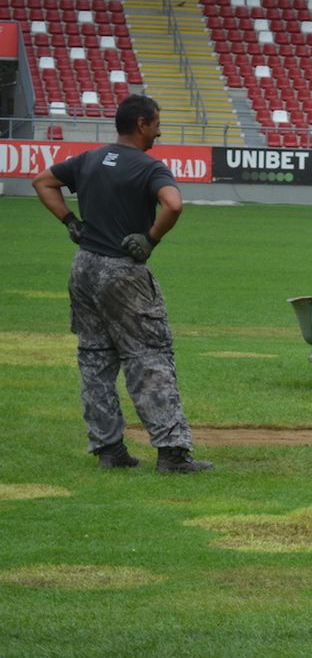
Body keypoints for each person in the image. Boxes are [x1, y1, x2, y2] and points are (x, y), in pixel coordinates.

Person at [30, 95, 212, 473]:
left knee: (95, 358)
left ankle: (109, 450)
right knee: (149, 356)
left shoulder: (90, 159)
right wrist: (150, 239)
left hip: (84, 268)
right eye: (157, 123)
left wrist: (70, 221)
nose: (159, 131)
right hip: (122, 272)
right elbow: (174, 205)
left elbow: (43, 181)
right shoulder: (149, 168)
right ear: (143, 123)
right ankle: (172, 453)